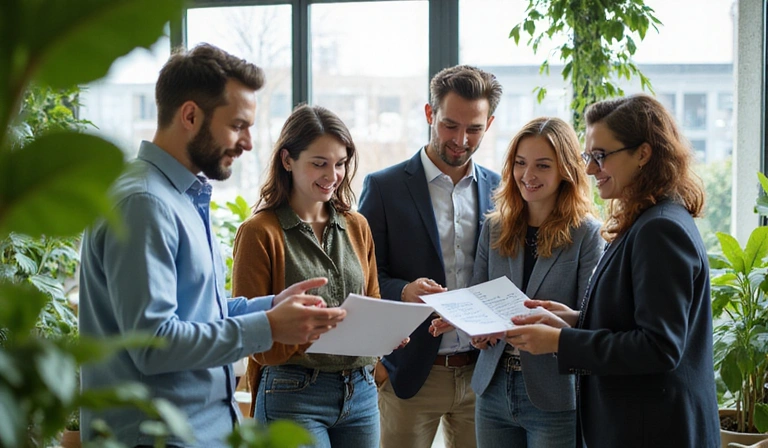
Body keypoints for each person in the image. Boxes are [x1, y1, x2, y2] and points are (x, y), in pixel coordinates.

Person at [78, 44, 346, 448]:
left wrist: (269, 306)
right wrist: (269, 328)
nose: (250, 143)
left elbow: (198, 309)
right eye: (238, 125)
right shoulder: (144, 203)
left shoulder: (181, 196)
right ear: (190, 116)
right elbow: (154, 344)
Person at [506, 94, 720, 447]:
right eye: (589, 157)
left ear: (643, 154)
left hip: (653, 430)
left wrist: (561, 341)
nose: (590, 169)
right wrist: (575, 319)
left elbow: (659, 347)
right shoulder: (649, 220)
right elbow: (635, 320)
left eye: (600, 156)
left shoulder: (659, 229)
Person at [433, 117, 603, 447]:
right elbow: (479, 296)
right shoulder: (496, 227)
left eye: (542, 165)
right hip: (493, 388)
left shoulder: (587, 233)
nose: (528, 176)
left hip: (555, 395)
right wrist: (474, 328)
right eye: (521, 163)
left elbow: (592, 320)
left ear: (565, 170)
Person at [358, 64, 502, 448]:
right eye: (450, 125)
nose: (461, 139)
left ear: (489, 123)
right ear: (429, 114)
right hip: (409, 376)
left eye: (474, 128)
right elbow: (363, 275)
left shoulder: (502, 190)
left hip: (483, 375)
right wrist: (404, 291)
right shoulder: (384, 187)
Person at [231, 104, 381, 448]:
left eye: (340, 163)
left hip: (360, 393)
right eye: (319, 163)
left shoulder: (357, 226)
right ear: (287, 160)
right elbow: (255, 339)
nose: (333, 175)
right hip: (292, 393)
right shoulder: (259, 232)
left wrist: (385, 333)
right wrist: (314, 329)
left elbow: (372, 299)